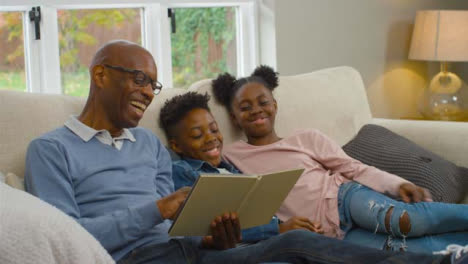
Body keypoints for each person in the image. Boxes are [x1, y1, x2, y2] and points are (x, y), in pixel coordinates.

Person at [23, 40, 462, 264]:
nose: (146, 93)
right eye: (138, 80)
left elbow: (179, 225)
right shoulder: (50, 150)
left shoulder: (149, 148)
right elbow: (70, 242)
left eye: (151, 85)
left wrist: (214, 235)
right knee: (296, 242)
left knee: (295, 242)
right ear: (100, 74)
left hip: (191, 251)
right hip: (138, 259)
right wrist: (159, 209)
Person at [213, 65, 468, 254]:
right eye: (244, 108)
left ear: (275, 105)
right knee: (399, 251)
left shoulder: (306, 138)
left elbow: (353, 167)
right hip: (330, 236)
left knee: (408, 222)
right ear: (234, 118)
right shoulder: (232, 156)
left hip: (344, 198)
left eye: (262, 102)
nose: (256, 110)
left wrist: (397, 184)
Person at [159, 91, 324, 242]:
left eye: (214, 129)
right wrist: (279, 230)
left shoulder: (230, 168)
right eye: (197, 135)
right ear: (176, 146)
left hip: (272, 241)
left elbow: (258, 214)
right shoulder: (181, 171)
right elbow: (206, 229)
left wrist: (300, 227)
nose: (211, 138)